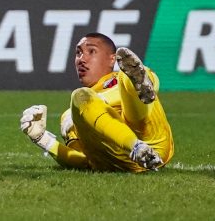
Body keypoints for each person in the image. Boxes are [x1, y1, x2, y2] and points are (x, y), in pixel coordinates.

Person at [20, 33, 173, 172]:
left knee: (131, 76)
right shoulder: (72, 114)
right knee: (80, 96)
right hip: (119, 159)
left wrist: (103, 99)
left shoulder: (125, 75)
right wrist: (42, 139)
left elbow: (137, 77)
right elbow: (84, 160)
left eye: (91, 51)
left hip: (153, 140)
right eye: (78, 53)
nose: (81, 59)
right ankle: (137, 148)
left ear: (112, 59)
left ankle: (138, 142)